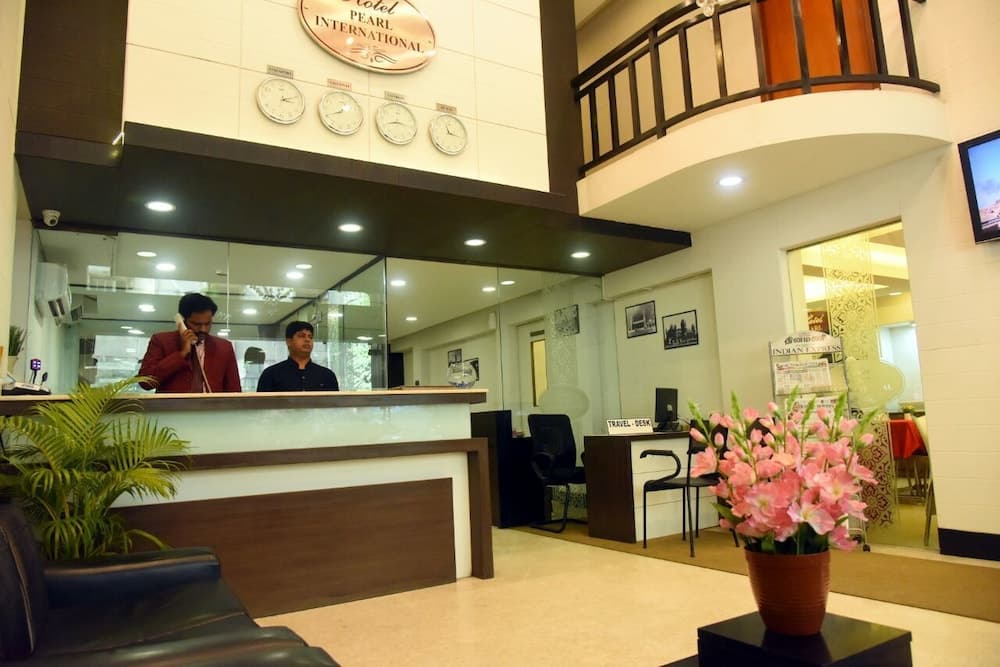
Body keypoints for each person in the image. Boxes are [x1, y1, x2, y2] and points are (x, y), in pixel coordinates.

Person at [139, 293, 241, 393]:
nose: (203, 329)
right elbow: (145, 383)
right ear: (182, 321)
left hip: (211, 404)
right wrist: (181, 354)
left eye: (207, 324)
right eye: (196, 324)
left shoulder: (224, 347)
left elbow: (234, 390)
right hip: (173, 404)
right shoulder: (162, 341)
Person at [257, 321, 339, 392]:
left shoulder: (327, 375)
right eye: (301, 336)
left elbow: (336, 404)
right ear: (289, 341)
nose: (307, 340)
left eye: (310, 337)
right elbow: (260, 405)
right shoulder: (270, 374)